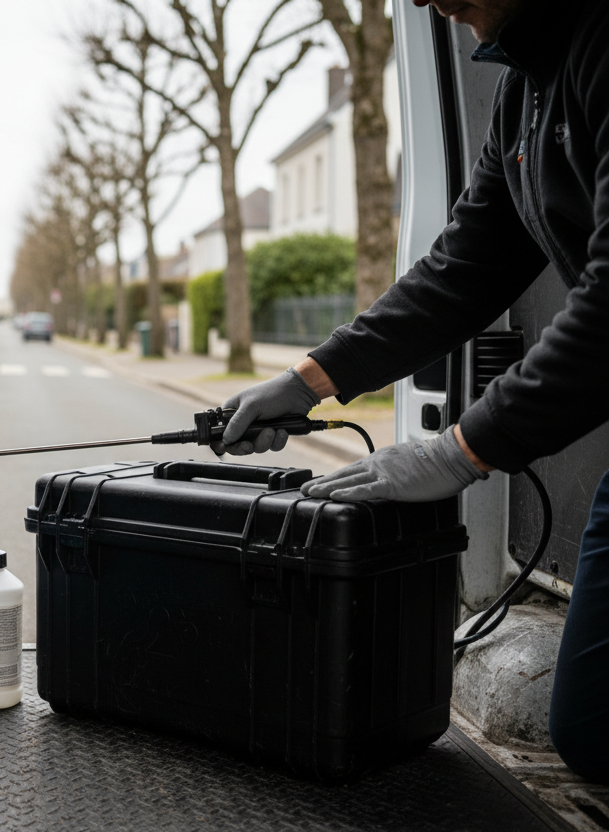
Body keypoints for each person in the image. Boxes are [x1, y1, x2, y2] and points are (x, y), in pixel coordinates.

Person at [215, 0, 609, 783]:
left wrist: (461, 449)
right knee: (593, 728)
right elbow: (461, 268)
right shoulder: (522, 89)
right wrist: (308, 380)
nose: (431, 2)